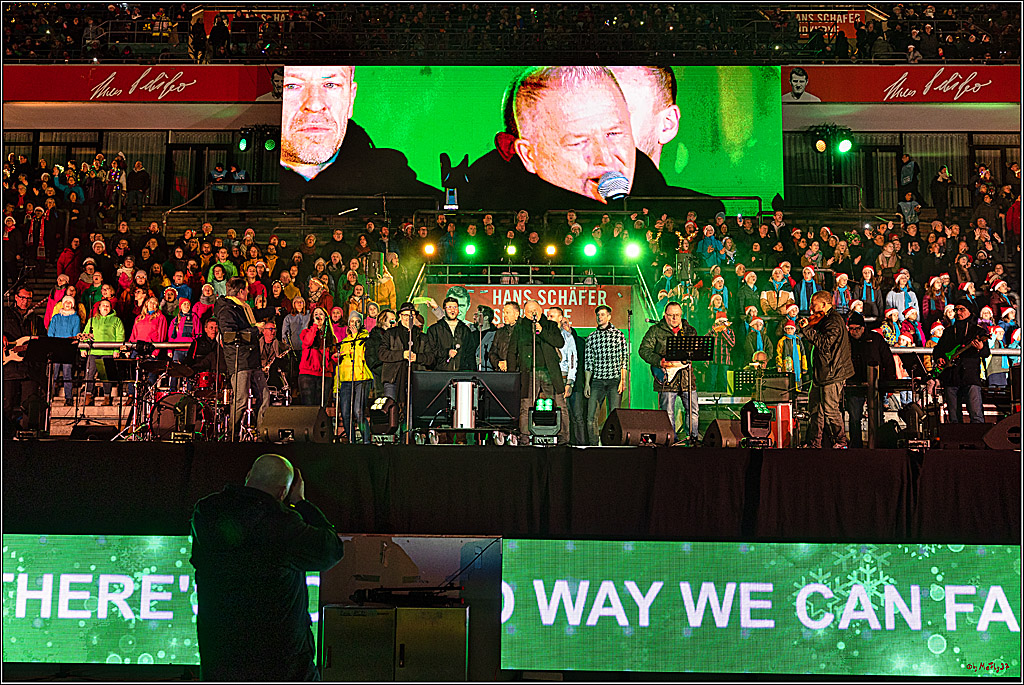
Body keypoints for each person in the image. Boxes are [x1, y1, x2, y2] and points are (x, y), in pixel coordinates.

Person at [464, 66, 724, 219]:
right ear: (528, 155)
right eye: (578, 142)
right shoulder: (494, 200)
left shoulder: (695, 210)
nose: (605, 158)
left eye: (614, 133)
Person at [190, 454, 345, 681]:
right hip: (281, 666)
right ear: (283, 492)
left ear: (248, 477)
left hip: (221, 661)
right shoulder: (283, 524)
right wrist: (300, 502)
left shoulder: (206, 511)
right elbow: (331, 550)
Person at [278, 66, 436, 205]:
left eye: (331, 85)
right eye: (293, 86)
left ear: (351, 98)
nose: (314, 105)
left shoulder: (389, 176)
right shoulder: (254, 175)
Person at [798, 291, 855, 448]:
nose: (811, 308)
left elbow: (824, 344)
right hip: (822, 372)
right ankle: (814, 443)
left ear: (824, 304)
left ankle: (841, 441)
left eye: (814, 304)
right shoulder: (826, 319)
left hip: (832, 372)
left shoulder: (833, 321)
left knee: (830, 409)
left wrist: (807, 330)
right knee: (815, 409)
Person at [508, 300, 569, 445]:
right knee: (526, 405)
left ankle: (564, 438)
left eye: (535, 310)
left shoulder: (550, 325)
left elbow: (559, 342)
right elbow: (512, 351)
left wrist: (541, 331)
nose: (533, 313)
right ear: (525, 313)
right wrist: (511, 375)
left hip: (549, 372)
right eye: (529, 311)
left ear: (541, 310)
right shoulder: (520, 328)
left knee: (559, 404)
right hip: (529, 372)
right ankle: (525, 438)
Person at [215, 277, 269, 438]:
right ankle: (232, 435)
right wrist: (256, 330)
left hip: (252, 359)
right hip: (239, 361)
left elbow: (255, 316)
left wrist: (273, 310)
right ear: (240, 292)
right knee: (241, 400)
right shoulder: (227, 311)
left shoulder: (243, 308)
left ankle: (262, 433)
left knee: (264, 395)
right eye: (246, 290)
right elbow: (229, 336)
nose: (248, 293)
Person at [638, 301, 699, 443]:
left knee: (693, 411)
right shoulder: (655, 330)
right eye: (671, 315)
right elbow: (644, 350)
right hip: (666, 378)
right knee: (667, 413)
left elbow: (695, 351)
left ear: (681, 315)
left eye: (677, 315)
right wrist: (659, 361)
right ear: (665, 316)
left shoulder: (689, 331)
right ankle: (670, 441)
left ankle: (693, 439)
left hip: (686, 378)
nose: (674, 318)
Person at [933, 299, 991, 423]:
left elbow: (986, 353)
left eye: (961, 309)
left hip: (970, 376)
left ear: (969, 311)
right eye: (956, 310)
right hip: (951, 376)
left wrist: (980, 348)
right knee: (954, 417)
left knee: (976, 415)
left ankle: (977, 439)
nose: (958, 312)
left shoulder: (977, 331)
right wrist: (940, 358)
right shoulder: (948, 331)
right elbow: (938, 350)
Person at [844, 311, 896, 448]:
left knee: (877, 416)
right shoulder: (846, 342)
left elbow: (888, 360)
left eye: (856, 329)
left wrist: (889, 382)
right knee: (855, 418)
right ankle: (856, 446)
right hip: (853, 384)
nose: (853, 332)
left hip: (875, 383)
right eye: (851, 329)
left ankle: (878, 443)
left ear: (863, 328)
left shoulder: (876, 339)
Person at [584, 305, 628, 445]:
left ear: (609, 316)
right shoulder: (592, 337)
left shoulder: (618, 335)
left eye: (603, 314)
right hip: (597, 380)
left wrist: (623, 380)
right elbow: (589, 362)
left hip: (614, 379)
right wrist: (587, 383)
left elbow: (624, 359)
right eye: (598, 315)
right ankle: (593, 443)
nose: (600, 317)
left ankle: (612, 443)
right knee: (591, 416)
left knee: (614, 415)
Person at [545, 306, 584, 444]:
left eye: (552, 316)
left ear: (560, 319)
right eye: (548, 316)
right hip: (546, 377)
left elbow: (573, 360)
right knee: (548, 409)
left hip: (562, 375)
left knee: (565, 410)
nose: (549, 318)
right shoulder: (544, 334)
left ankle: (567, 440)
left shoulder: (568, 337)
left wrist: (570, 382)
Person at [334, 310, 372, 444]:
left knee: (358, 411)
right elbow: (339, 367)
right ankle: (351, 441)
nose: (354, 323)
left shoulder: (366, 339)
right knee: (345, 413)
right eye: (352, 321)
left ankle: (366, 441)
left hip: (361, 379)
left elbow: (365, 357)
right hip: (346, 381)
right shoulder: (344, 342)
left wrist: (357, 335)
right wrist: (335, 387)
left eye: (357, 321)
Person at [81, 299, 125, 407]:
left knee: (106, 376)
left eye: (108, 306)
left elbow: (120, 335)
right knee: (89, 374)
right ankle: (88, 396)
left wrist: (116, 350)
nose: (105, 307)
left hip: (108, 351)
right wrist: (83, 349)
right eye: (103, 305)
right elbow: (85, 334)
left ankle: (107, 397)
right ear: (99, 308)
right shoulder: (92, 320)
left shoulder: (116, 320)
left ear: (111, 308)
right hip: (94, 351)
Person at [425, 296, 478, 372]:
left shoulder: (465, 330)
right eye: (449, 307)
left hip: (461, 373)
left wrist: (473, 372)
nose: (452, 310)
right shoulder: (434, 329)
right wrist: (447, 353)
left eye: (455, 307)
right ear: (444, 309)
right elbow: (431, 352)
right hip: (441, 372)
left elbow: (470, 353)